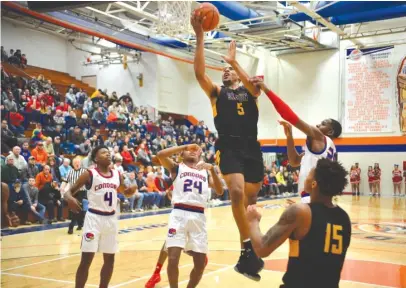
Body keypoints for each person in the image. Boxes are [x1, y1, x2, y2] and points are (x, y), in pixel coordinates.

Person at [191, 12, 265, 280]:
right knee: (235, 192)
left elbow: (255, 88)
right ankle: (246, 249)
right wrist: (200, 37)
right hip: (229, 147)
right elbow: (199, 73)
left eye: (229, 69)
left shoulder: (250, 91)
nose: (224, 70)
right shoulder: (217, 93)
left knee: (250, 202)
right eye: (223, 68)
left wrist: (235, 61)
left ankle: (250, 253)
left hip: (252, 149)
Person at [247, 159, 351, 287]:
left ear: (314, 184)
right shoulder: (344, 218)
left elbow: (262, 248)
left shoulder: (300, 212)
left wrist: (253, 221)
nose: (305, 178)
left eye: (309, 175)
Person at [250, 77, 342, 204]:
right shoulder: (328, 147)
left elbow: (289, 115)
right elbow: (294, 162)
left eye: (323, 124)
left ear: (330, 131)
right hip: (318, 197)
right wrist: (289, 137)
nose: (317, 125)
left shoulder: (319, 137)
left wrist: (266, 90)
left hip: (313, 196)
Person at [64, 145, 137, 288]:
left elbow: (124, 191)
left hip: (111, 219)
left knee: (110, 259)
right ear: (96, 158)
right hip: (94, 219)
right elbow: (68, 192)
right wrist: (70, 199)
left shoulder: (117, 174)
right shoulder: (89, 174)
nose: (108, 155)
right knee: (86, 260)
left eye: (109, 153)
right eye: (104, 153)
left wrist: (130, 191)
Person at [151, 143, 223, 288]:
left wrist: (212, 170)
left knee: (200, 264)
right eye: (188, 151)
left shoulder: (204, 172)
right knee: (173, 258)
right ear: (182, 155)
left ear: (200, 156)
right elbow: (160, 155)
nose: (192, 152)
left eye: (195, 151)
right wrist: (185, 146)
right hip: (179, 214)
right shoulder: (177, 168)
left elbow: (220, 190)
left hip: (199, 216)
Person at [61, 157, 88, 234]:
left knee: (76, 208)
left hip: (82, 192)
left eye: (78, 162)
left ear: (80, 163)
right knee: (76, 208)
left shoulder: (84, 171)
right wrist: (62, 188)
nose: (77, 164)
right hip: (73, 192)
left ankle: (71, 226)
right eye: (75, 163)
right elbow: (65, 181)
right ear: (73, 164)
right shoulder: (70, 172)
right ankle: (80, 224)